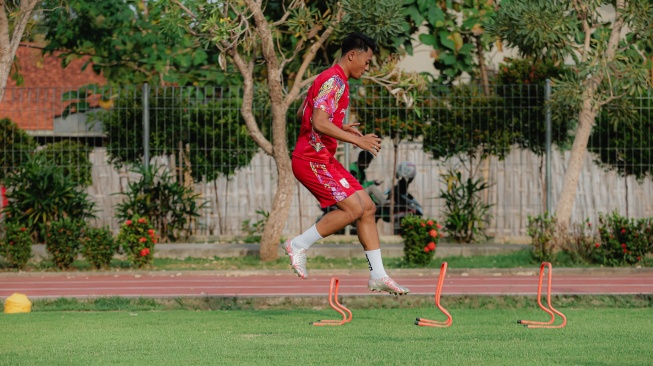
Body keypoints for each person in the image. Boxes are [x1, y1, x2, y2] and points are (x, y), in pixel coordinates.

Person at [284, 32, 410, 295]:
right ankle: (298, 244)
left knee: (367, 207)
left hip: (324, 160)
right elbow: (318, 122)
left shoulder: (331, 79)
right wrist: (358, 141)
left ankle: (378, 275)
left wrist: (338, 126)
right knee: (353, 209)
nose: (367, 67)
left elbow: (302, 114)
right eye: (366, 61)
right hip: (311, 160)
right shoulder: (334, 81)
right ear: (352, 54)